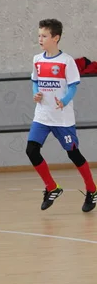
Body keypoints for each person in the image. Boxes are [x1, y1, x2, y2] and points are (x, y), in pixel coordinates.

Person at [26, 19, 96, 212]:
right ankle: (52, 187)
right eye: (39, 35)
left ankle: (92, 189)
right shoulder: (37, 59)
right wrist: (36, 93)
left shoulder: (67, 61)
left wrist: (64, 101)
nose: (40, 39)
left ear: (55, 38)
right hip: (42, 115)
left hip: (62, 118)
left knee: (73, 154)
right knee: (31, 150)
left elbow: (73, 86)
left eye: (44, 36)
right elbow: (35, 81)